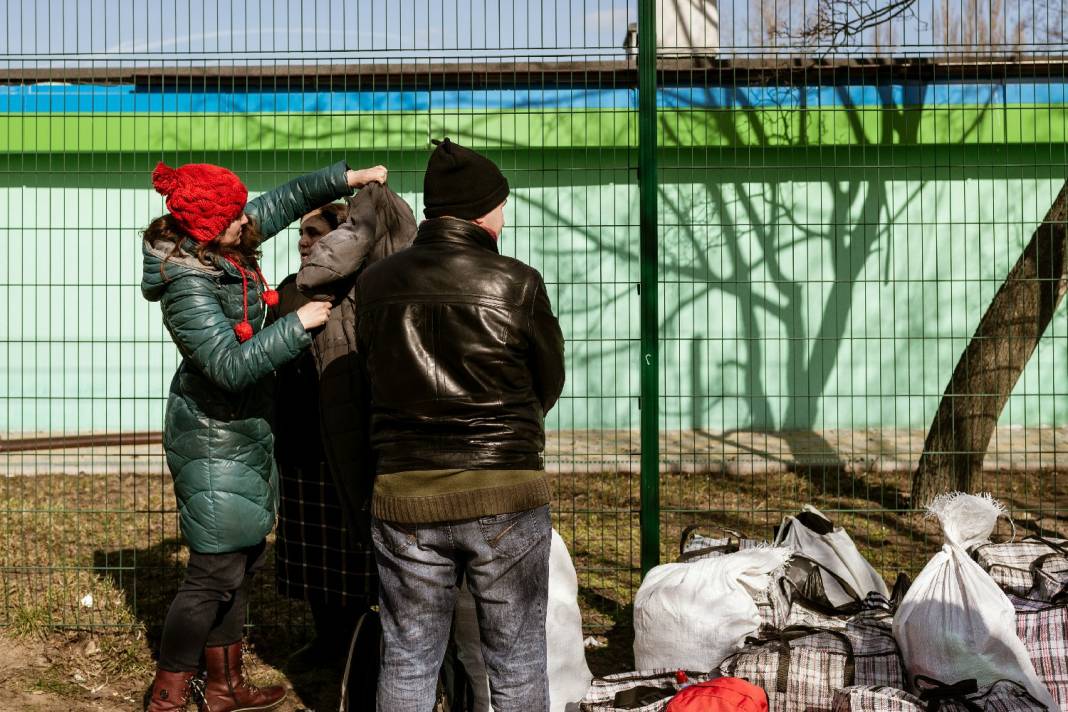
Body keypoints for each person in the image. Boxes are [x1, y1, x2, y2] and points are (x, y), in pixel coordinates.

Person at [140, 159, 385, 712]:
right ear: (205, 228)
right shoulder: (186, 285)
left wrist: (347, 179)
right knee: (211, 573)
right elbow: (227, 366)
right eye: (232, 219)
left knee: (242, 560)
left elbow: (279, 202)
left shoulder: (220, 244)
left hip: (242, 429)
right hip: (211, 436)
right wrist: (298, 326)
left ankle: (225, 688)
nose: (245, 225)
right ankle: (167, 697)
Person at [355, 138, 566, 712]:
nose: (505, 213)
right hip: (505, 491)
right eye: (501, 202)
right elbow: (547, 381)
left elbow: (368, 380)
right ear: (481, 210)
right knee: (517, 661)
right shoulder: (517, 283)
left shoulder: (373, 286)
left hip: (404, 496)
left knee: (407, 658)